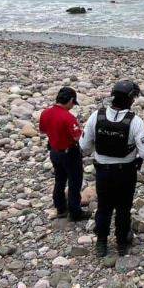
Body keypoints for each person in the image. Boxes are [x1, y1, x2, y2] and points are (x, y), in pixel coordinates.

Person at [79, 80, 144, 256]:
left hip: (103, 172)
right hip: (125, 172)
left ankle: (101, 242)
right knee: (123, 208)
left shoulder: (96, 116)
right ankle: (121, 242)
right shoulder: (134, 121)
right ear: (131, 99)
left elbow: (84, 146)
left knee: (104, 207)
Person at [39, 87, 90, 222]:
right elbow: (77, 137)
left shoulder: (45, 113)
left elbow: (43, 130)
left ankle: (60, 207)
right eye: (73, 103)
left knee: (59, 180)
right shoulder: (68, 117)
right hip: (69, 153)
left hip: (54, 152)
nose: (72, 106)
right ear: (71, 100)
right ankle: (75, 212)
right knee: (74, 182)